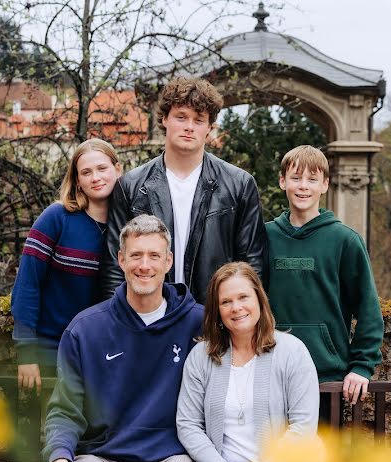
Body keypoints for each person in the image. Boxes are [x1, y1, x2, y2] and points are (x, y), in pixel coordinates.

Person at [43, 214, 204, 462]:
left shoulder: (198, 324)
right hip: (102, 456)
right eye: (136, 255)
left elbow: (250, 348)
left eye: (154, 256)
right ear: (121, 259)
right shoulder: (86, 329)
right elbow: (65, 409)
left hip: (169, 457)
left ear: (168, 261)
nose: (145, 265)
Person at [176, 262, 330, 462]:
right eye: (226, 301)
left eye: (243, 297)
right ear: (217, 311)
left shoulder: (292, 351)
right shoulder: (201, 357)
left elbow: (303, 426)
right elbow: (188, 425)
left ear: (259, 299)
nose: (236, 308)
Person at [100, 76, 268, 304]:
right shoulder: (130, 186)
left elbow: (252, 264)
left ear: (209, 128)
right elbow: (114, 264)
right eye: (181, 117)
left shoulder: (239, 184)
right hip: (149, 318)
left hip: (215, 318)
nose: (189, 127)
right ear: (165, 119)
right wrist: (121, 321)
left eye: (199, 120)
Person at [265, 145, 383, 406]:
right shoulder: (264, 237)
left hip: (327, 378)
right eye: (296, 178)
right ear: (283, 181)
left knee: (324, 448)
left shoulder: (345, 240)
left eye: (312, 179)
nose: (303, 186)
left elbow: (368, 309)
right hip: (269, 373)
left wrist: (362, 366)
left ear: (325, 184)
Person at [11, 139, 121, 392]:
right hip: (51, 352)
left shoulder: (131, 227)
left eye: (102, 168)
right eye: (86, 172)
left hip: (106, 358)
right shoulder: (57, 218)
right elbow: (28, 284)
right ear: (77, 180)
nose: (95, 177)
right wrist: (26, 353)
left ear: (118, 169)